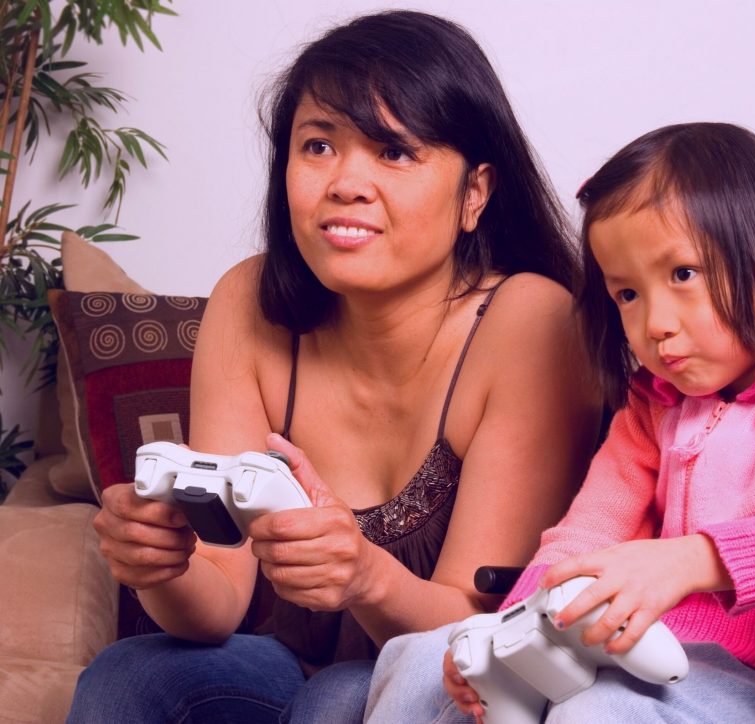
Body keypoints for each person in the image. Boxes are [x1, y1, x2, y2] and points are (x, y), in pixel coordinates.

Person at [67, 10, 602, 723]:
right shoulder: (247, 301)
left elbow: (476, 634)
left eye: (395, 153)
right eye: (318, 145)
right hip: (276, 662)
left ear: (474, 192)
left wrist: (365, 576)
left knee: (340, 697)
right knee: (130, 674)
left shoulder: (531, 322)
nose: (345, 183)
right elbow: (219, 601)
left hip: (453, 675)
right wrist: (160, 565)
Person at [362, 122, 755, 723]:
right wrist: (507, 635)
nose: (654, 323)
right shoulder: (656, 403)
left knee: (598, 712)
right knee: (422, 659)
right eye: (627, 294)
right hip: (637, 649)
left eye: (683, 274)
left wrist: (689, 561)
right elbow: (586, 535)